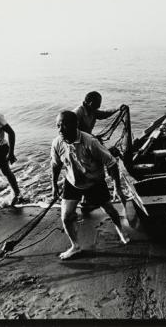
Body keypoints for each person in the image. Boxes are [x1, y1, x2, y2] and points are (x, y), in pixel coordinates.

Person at [51, 110, 130, 260]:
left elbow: (112, 163)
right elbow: (55, 165)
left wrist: (117, 188)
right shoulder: (57, 143)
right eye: (58, 126)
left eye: (64, 125)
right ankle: (75, 246)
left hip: (94, 182)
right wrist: (54, 185)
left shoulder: (90, 142)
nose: (60, 130)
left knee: (110, 210)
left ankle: (120, 230)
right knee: (66, 217)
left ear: (76, 125)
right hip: (72, 181)